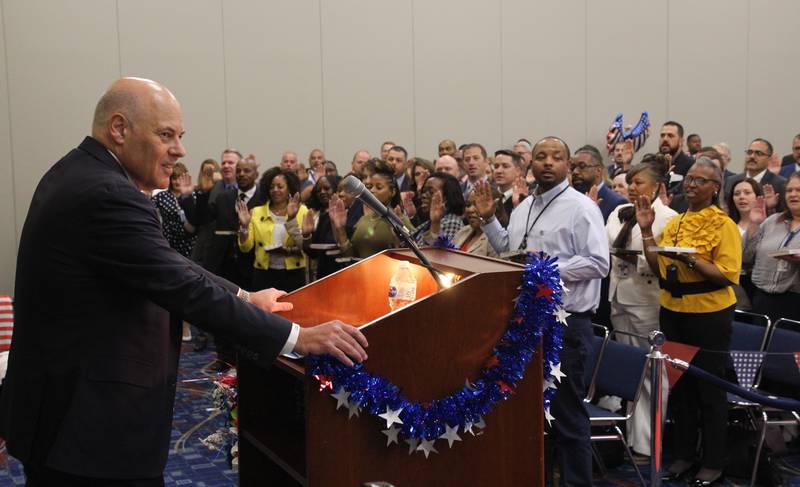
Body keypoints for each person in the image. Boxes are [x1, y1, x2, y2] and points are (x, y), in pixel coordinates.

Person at [0, 78, 367, 485]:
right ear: (119, 129)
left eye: (180, 136)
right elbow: (181, 285)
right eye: (166, 135)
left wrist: (246, 296)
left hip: (69, 419)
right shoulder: (106, 192)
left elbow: (167, 262)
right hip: (88, 431)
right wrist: (299, 338)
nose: (180, 149)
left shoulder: (83, 172)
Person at [476, 136, 609, 487]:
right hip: (528, 322)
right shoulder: (524, 208)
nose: (548, 163)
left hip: (567, 325)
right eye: (540, 157)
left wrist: (547, 270)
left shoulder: (581, 208)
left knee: (567, 414)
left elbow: (598, 262)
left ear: (568, 165)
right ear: (530, 166)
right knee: (534, 414)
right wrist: (490, 219)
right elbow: (508, 249)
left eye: (556, 157)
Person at [637, 157, 741, 486]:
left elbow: (726, 276)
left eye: (701, 180)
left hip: (709, 313)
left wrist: (690, 258)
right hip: (673, 309)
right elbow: (657, 269)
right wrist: (645, 231)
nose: (692, 185)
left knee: (709, 390)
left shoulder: (723, 225)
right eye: (690, 179)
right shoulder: (677, 221)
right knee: (680, 388)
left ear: (715, 188)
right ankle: (683, 455)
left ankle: (713, 460)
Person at [605, 163, 676, 460]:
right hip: (619, 296)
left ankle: (649, 443)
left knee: (651, 373)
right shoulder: (618, 212)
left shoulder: (669, 218)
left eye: (639, 182)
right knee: (631, 371)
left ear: (657, 186)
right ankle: (632, 437)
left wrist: (641, 256)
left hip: (647, 299)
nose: (632, 187)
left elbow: (666, 263)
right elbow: (607, 246)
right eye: (630, 182)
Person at [238, 167, 308, 293]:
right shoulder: (256, 212)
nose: (275, 190)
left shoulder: (302, 211)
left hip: (294, 273)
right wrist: (244, 227)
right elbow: (245, 247)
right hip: (264, 274)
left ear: (289, 189)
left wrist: (288, 251)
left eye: (280, 187)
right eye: (271, 187)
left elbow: (307, 247)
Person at [742, 172, 800, 323]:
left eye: (799, 190)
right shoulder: (772, 221)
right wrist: (754, 223)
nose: (793, 194)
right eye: (789, 190)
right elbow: (746, 257)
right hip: (762, 298)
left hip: (795, 301)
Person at [329, 161, 407, 259]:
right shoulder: (363, 219)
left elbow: (416, 253)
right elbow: (350, 256)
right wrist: (340, 229)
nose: (372, 189)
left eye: (378, 187)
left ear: (392, 191)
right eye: (364, 177)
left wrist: (398, 242)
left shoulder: (398, 218)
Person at [727, 178, 764, 308]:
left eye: (747, 192)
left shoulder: (767, 224)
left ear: (758, 196)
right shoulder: (727, 224)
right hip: (732, 286)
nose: (741, 197)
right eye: (737, 194)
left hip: (756, 285)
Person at [302, 175, 345, 280]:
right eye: (318, 190)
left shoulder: (346, 213)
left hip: (342, 272)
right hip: (324, 275)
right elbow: (313, 253)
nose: (322, 192)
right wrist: (307, 235)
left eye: (326, 188)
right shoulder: (322, 215)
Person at [571, 144, 627, 222]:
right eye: (572, 167)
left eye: (582, 166)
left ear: (598, 171)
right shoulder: (571, 199)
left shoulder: (617, 202)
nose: (575, 172)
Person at [417, 172, 466, 245]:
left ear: (445, 198)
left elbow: (439, 253)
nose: (423, 195)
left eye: (431, 192)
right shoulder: (428, 223)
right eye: (423, 191)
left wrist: (435, 223)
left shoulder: (452, 222)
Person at [452, 189, 504, 257]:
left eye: (477, 204)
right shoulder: (462, 231)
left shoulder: (497, 240)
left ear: (494, 208)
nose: (470, 210)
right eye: (468, 205)